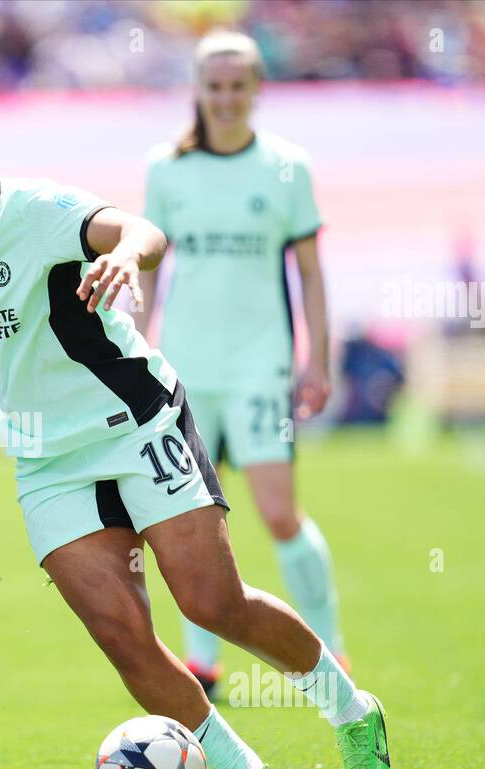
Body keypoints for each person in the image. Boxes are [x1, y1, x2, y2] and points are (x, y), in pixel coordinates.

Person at [0, 92, 390, 769]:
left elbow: (143, 229)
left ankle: (353, 713)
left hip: (135, 421)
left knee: (212, 603)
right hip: (46, 461)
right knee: (123, 636)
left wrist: (124, 254)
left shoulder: (41, 211)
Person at [140, 31, 349, 697]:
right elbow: (148, 271)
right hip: (186, 372)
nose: (226, 98)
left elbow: (311, 274)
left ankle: (331, 651)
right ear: (198, 90)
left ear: (257, 89)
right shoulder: (166, 171)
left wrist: (319, 357)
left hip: (262, 368)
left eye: (238, 86)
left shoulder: (288, 167)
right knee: (190, 520)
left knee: (279, 514)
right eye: (214, 86)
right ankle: (202, 660)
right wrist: (137, 349)